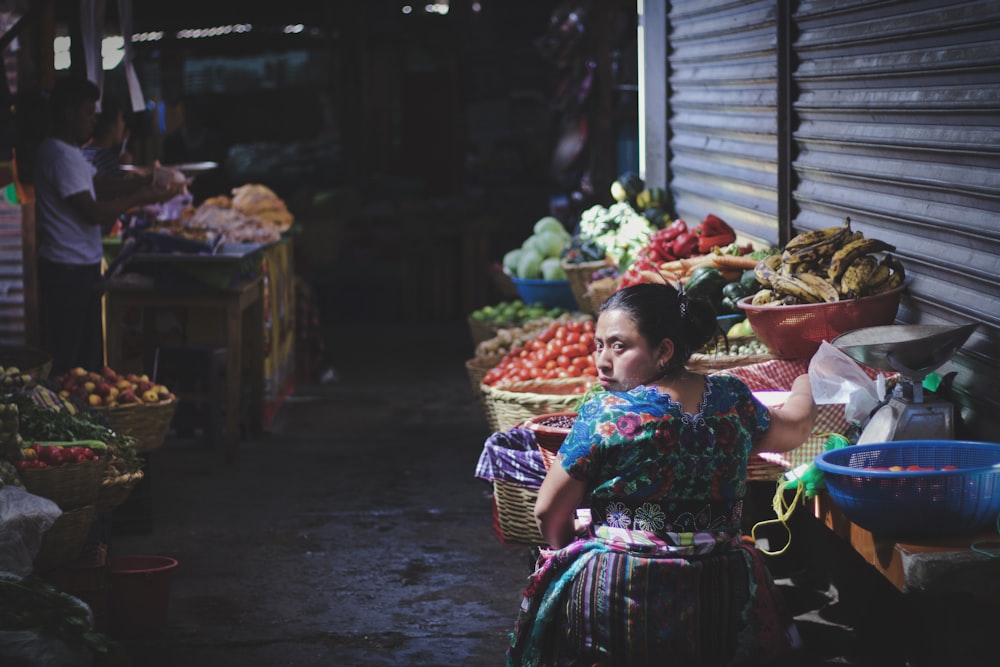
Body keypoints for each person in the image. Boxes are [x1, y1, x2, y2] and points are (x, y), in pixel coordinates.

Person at [507, 282, 818, 667]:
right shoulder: (731, 400)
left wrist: (565, 553)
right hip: (719, 590)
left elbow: (548, 512)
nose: (602, 360)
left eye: (619, 346)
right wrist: (806, 381)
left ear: (664, 350)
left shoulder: (605, 413)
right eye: (598, 344)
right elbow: (797, 427)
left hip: (621, 591)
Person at [33, 76, 181, 377]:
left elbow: (99, 183)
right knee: (67, 361)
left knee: (86, 361)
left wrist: (143, 180)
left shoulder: (71, 152)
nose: (93, 121)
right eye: (88, 113)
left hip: (81, 267)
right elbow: (94, 212)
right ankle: (65, 419)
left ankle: (81, 418)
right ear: (67, 113)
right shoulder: (57, 154)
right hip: (66, 270)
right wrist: (141, 195)